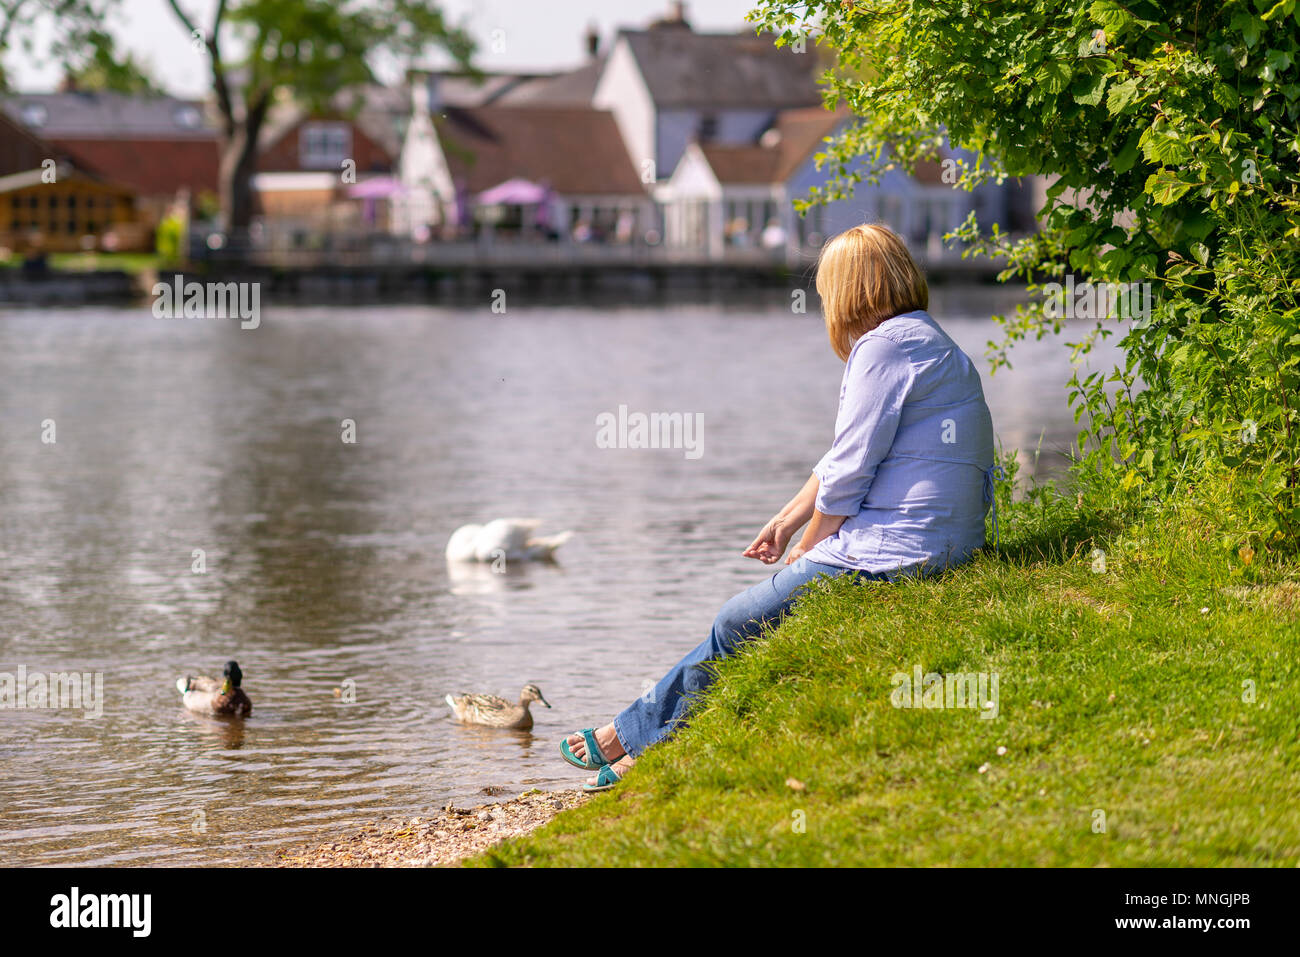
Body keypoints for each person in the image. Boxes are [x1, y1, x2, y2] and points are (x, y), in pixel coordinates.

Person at [560, 223, 996, 791]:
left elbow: (850, 471)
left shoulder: (881, 348)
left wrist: (810, 549)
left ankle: (631, 739)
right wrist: (788, 520)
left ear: (849, 291)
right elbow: (848, 452)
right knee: (751, 620)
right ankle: (642, 742)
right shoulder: (925, 338)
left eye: (824, 293)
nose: (822, 307)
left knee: (736, 619)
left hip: (898, 553)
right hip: (944, 543)